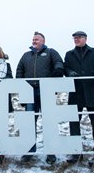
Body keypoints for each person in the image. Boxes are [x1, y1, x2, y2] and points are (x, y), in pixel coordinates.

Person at [16, 31, 64, 164]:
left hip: (46, 90)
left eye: (37, 39)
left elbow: (59, 62)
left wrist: (58, 70)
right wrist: (21, 87)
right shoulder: (26, 55)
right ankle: (29, 151)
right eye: (33, 39)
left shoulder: (51, 52)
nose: (34, 41)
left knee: (49, 122)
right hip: (29, 91)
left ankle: (51, 152)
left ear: (43, 41)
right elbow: (19, 71)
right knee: (29, 123)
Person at [64, 31, 94, 167]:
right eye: (74, 38)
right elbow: (65, 68)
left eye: (78, 37)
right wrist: (69, 72)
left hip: (92, 92)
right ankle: (77, 153)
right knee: (73, 123)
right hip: (76, 93)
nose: (76, 40)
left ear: (85, 39)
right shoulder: (69, 54)